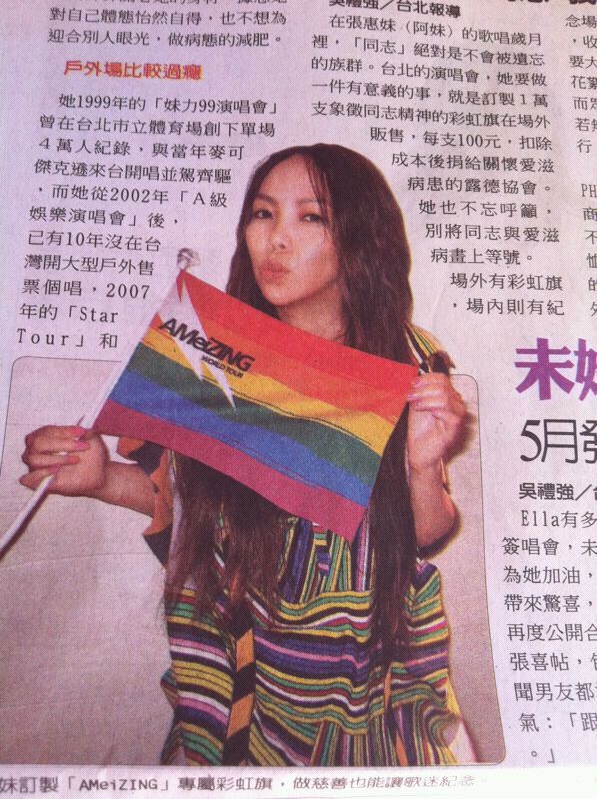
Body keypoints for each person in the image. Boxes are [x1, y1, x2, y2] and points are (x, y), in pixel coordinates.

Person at [21, 144, 468, 766]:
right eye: (263, 213)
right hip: (239, 682)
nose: (276, 239)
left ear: (360, 237)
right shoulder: (216, 354)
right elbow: (189, 506)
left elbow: (424, 533)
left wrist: (421, 465)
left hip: (362, 700)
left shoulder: (404, 365)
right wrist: (100, 478)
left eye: (311, 217)